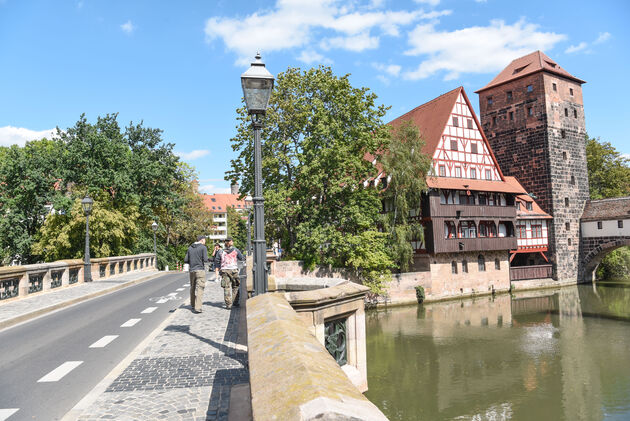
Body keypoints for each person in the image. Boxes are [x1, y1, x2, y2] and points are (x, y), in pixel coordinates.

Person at [214, 237, 246, 309]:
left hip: (224, 270)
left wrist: (220, 268)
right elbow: (241, 258)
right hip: (234, 270)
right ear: (231, 242)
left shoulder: (221, 251)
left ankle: (228, 304)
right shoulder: (236, 250)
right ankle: (235, 301)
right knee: (235, 286)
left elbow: (216, 260)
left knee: (226, 287)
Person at [184, 235, 209, 313]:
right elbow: (205, 259)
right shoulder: (203, 248)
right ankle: (198, 307)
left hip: (192, 270)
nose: (205, 242)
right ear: (201, 240)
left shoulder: (190, 248)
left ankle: (192, 304)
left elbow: (186, 260)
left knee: (192, 287)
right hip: (200, 270)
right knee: (200, 288)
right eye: (205, 240)